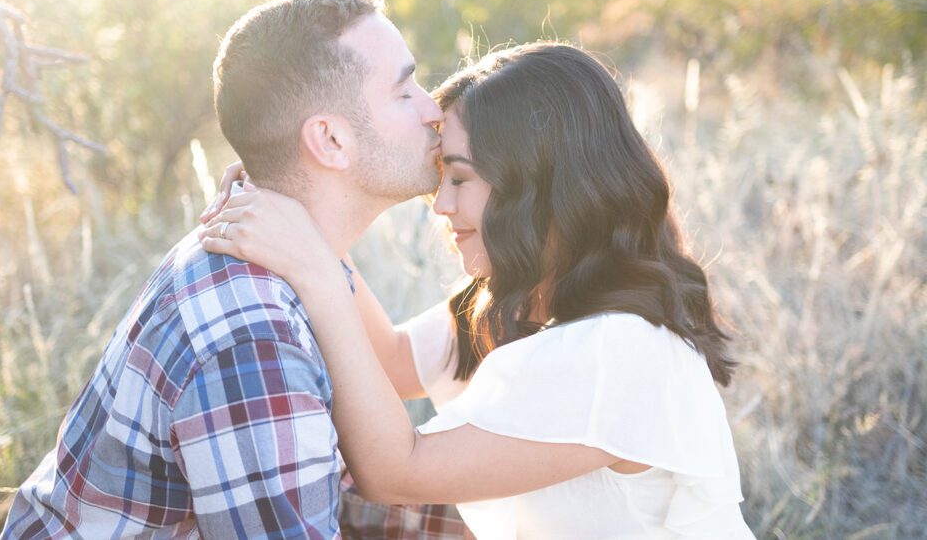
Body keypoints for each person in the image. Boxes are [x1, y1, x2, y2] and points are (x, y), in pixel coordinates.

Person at [199, 42, 757, 538]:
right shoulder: (529, 299)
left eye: (460, 178)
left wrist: (316, 270)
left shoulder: (618, 350)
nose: (441, 205)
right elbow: (393, 361)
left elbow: (397, 472)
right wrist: (302, 206)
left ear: (539, 186)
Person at [1, 0, 468, 538]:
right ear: (330, 140)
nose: (433, 109)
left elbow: (379, 398)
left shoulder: (294, 249)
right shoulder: (252, 336)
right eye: (403, 91)